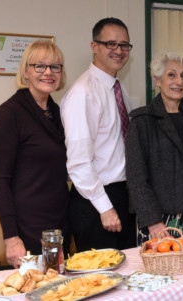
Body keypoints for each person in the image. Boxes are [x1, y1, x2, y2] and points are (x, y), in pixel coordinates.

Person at [0, 40, 70, 268]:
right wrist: (11, 238)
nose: (48, 72)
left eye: (55, 67)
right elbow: (0, 181)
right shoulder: (10, 113)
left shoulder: (57, 112)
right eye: (40, 66)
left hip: (60, 226)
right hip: (27, 230)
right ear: (26, 71)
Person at [60, 17, 136, 252]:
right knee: (101, 281)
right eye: (111, 44)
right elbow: (79, 163)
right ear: (95, 47)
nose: (119, 51)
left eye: (124, 45)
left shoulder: (118, 87)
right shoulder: (83, 93)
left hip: (122, 195)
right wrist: (105, 207)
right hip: (95, 201)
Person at [126, 51, 183, 245]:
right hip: (157, 222)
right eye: (171, 75)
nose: (179, 81)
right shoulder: (142, 121)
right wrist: (154, 222)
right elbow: (136, 178)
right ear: (157, 80)